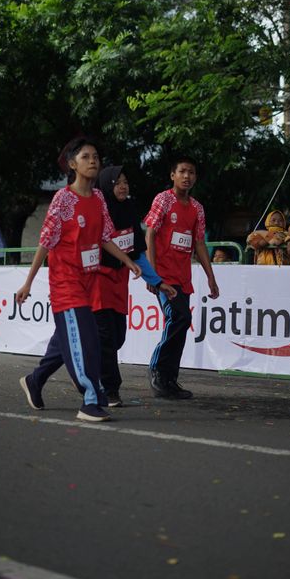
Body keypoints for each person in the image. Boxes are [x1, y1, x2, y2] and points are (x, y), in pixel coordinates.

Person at [16, 138, 141, 423]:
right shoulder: (63, 199)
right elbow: (46, 242)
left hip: (89, 282)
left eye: (96, 156)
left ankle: (35, 380)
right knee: (86, 343)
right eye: (86, 157)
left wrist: (127, 261)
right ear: (73, 164)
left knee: (74, 340)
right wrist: (28, 282)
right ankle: (90, 400)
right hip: (66, 283)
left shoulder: (98, 198)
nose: (93, 160)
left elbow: (105, 237)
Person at [92, 166, 177, 407]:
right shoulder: (98, 211)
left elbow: (137, 252)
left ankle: (93, 368)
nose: (123, 186)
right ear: (106, 185)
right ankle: (110, 389)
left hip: (120, 281)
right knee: (106, 338)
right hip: (98, 280)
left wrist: (158, 282)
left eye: (125, 182)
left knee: (117, 338)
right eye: (117, 182)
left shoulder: (129, 208)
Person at [144, 156, 220, 399]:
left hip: (183, 278)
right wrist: (152, 274)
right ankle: (156, 369)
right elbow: (150, 234)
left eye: (191, 172)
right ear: (173, 175)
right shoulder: (164, 199)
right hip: (164, 276)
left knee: (182, 323)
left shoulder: (197, 208)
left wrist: (211, 277)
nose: (187, 176)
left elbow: (199, 243)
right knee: (178, 317)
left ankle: (169, 379)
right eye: (182, 171)